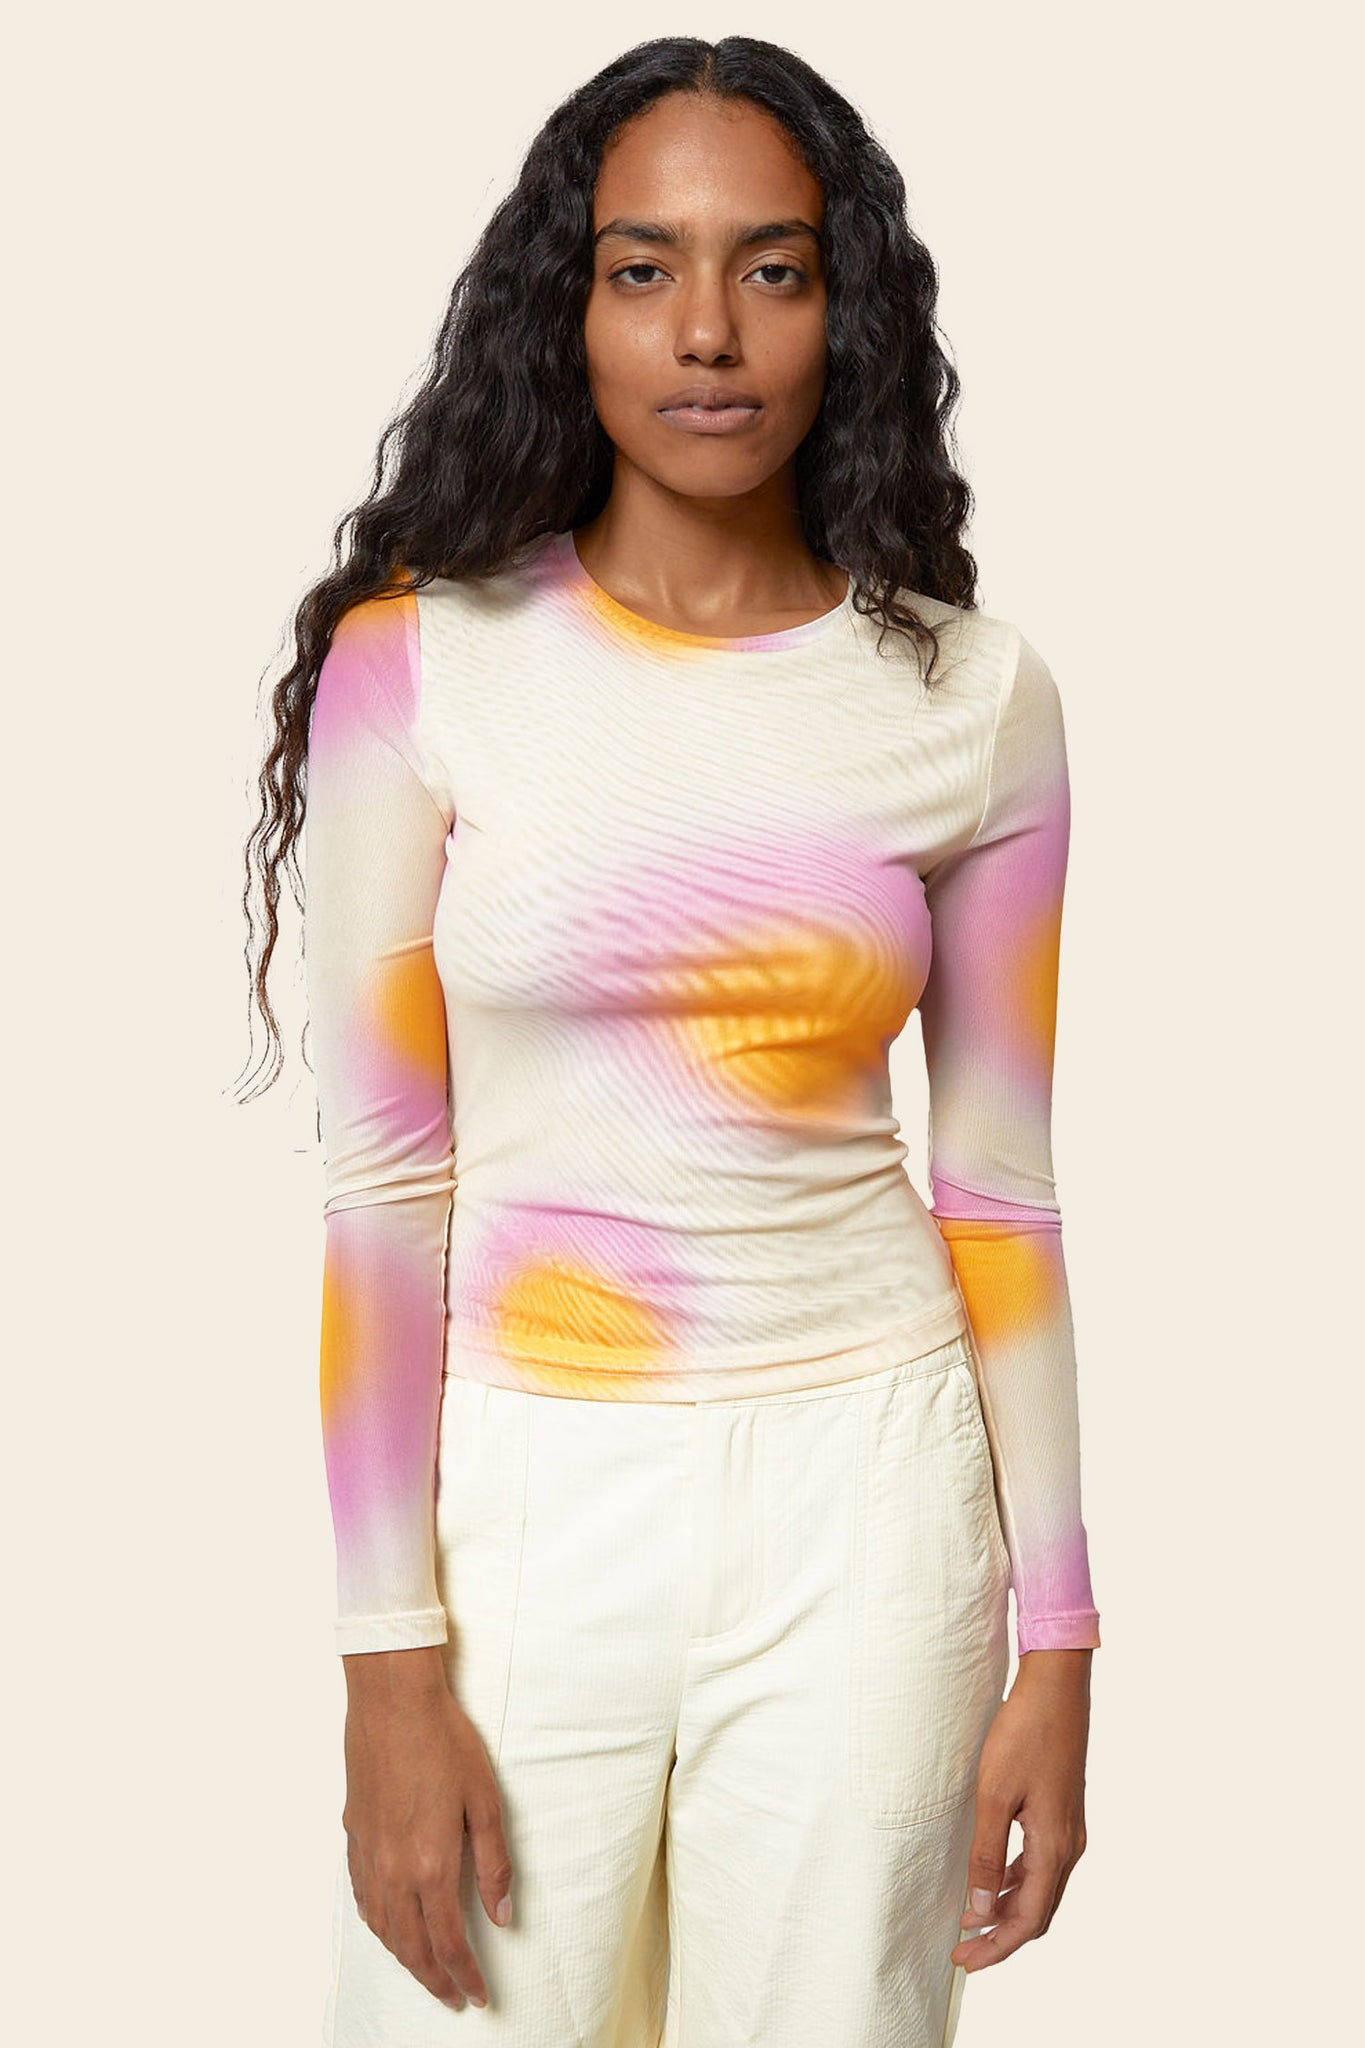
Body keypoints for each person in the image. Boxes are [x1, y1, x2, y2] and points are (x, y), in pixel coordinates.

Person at [239, 34, 1100, 2048]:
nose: (706, 331)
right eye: (642, 269)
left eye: (770, 269)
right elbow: (382, 1186)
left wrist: (1057, 1642)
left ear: (843, 307)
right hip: (524, 1499)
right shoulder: (419, 665)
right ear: (570, 304)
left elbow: (996, 1194)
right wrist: (385, 1659)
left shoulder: (969, 697)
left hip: (870, 1500)